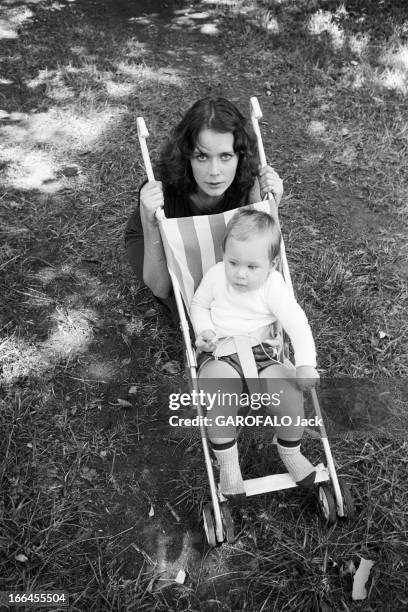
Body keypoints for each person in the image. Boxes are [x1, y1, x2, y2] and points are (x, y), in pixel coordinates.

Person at [191, 209, 320, 498]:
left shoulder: (273, 286)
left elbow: (297, 324)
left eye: (252, 267)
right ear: (224, 254)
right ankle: (228, 465)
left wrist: (305, 364)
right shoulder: (215, 276)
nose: (239, 273)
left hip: (263, 353)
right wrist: (204, 331)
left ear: (273, 264)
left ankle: (290, 451)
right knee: (220, 396)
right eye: (233, 262)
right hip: (220, 353)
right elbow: (198, 304)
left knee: (289, 395)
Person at [125, 96, 283, 319]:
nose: (214, 171)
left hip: (214, 234)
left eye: (226, 156)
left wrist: (271, 207)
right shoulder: (163, 193)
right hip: (152, 235)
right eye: (202, 156)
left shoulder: (249, 183)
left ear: (240, 156)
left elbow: (266, 260)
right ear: (187, 155)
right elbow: (160, 287)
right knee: (190, 306)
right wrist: (150, 222)